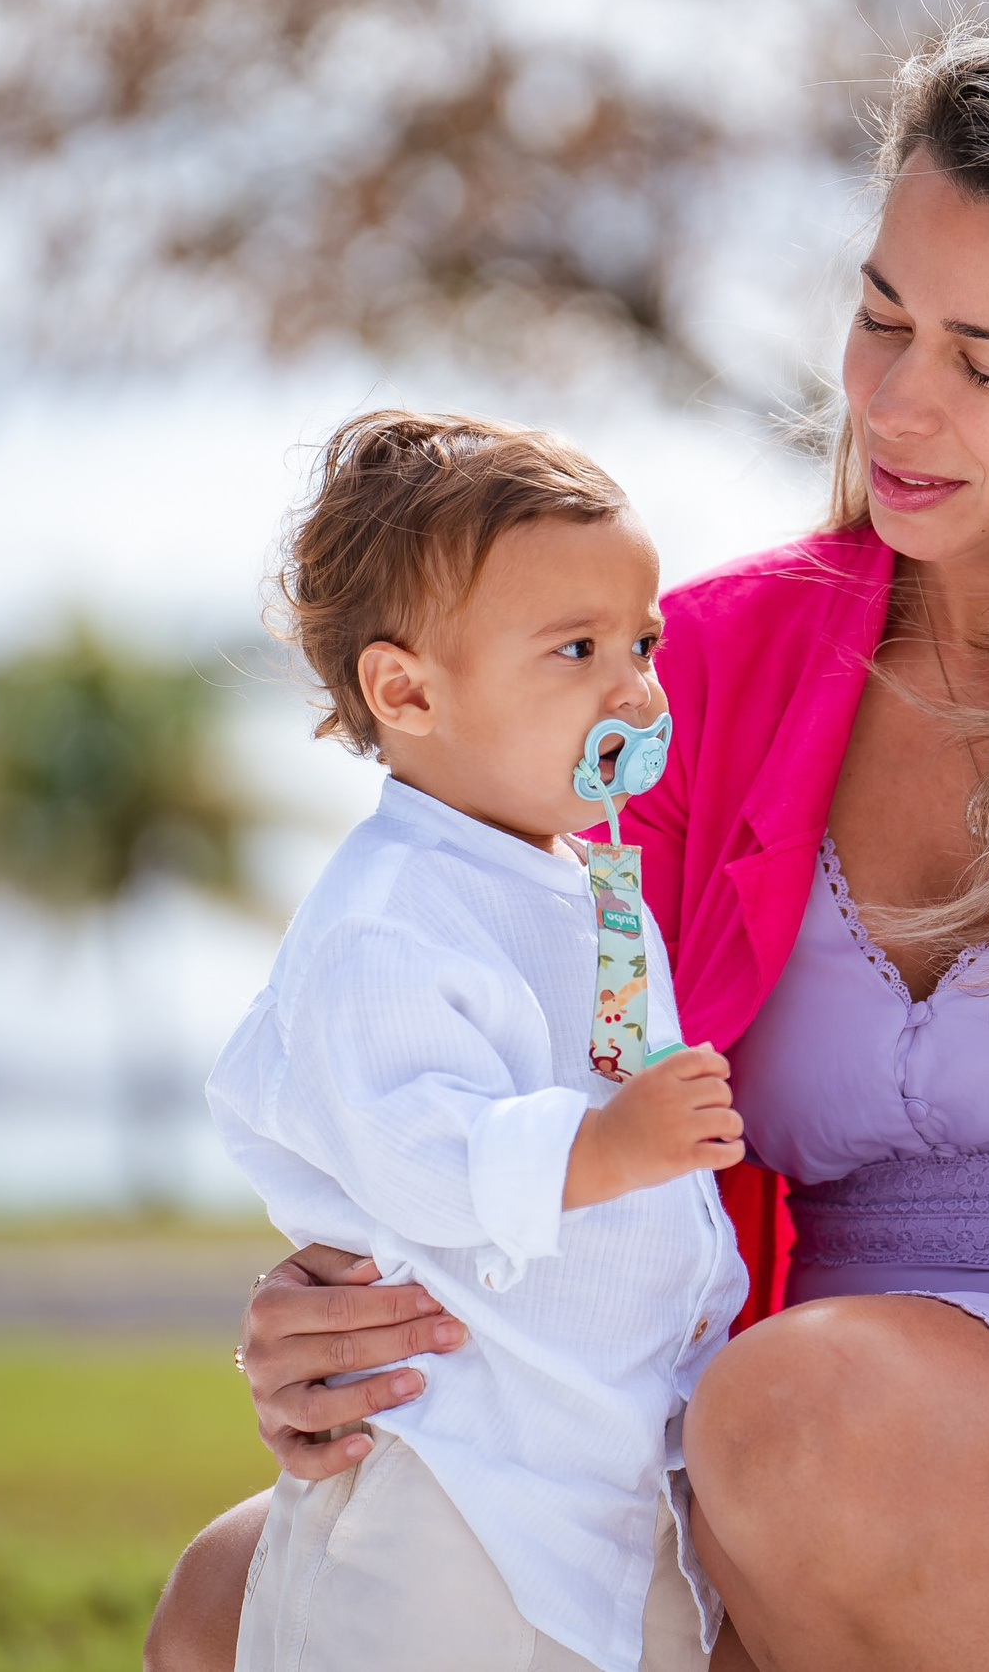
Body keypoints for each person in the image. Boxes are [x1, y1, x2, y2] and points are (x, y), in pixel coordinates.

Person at [154, 19, 989, 1672]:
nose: (896, 402)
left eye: (986, 365)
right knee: (240, 1601)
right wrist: (348, 1290)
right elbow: (506, 1028)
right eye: (881, 318)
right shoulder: (708, 665)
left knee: (803, 1415)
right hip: (768, 1456)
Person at [209, 410, 751, 1672]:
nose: (634, 690)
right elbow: (416, 1147)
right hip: (453, 1460)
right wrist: (606, 1150)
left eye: (642, 643)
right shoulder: (389, 914)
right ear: (407, 692)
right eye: (576, 649)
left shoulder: (582, 882)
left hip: (602, 1447)